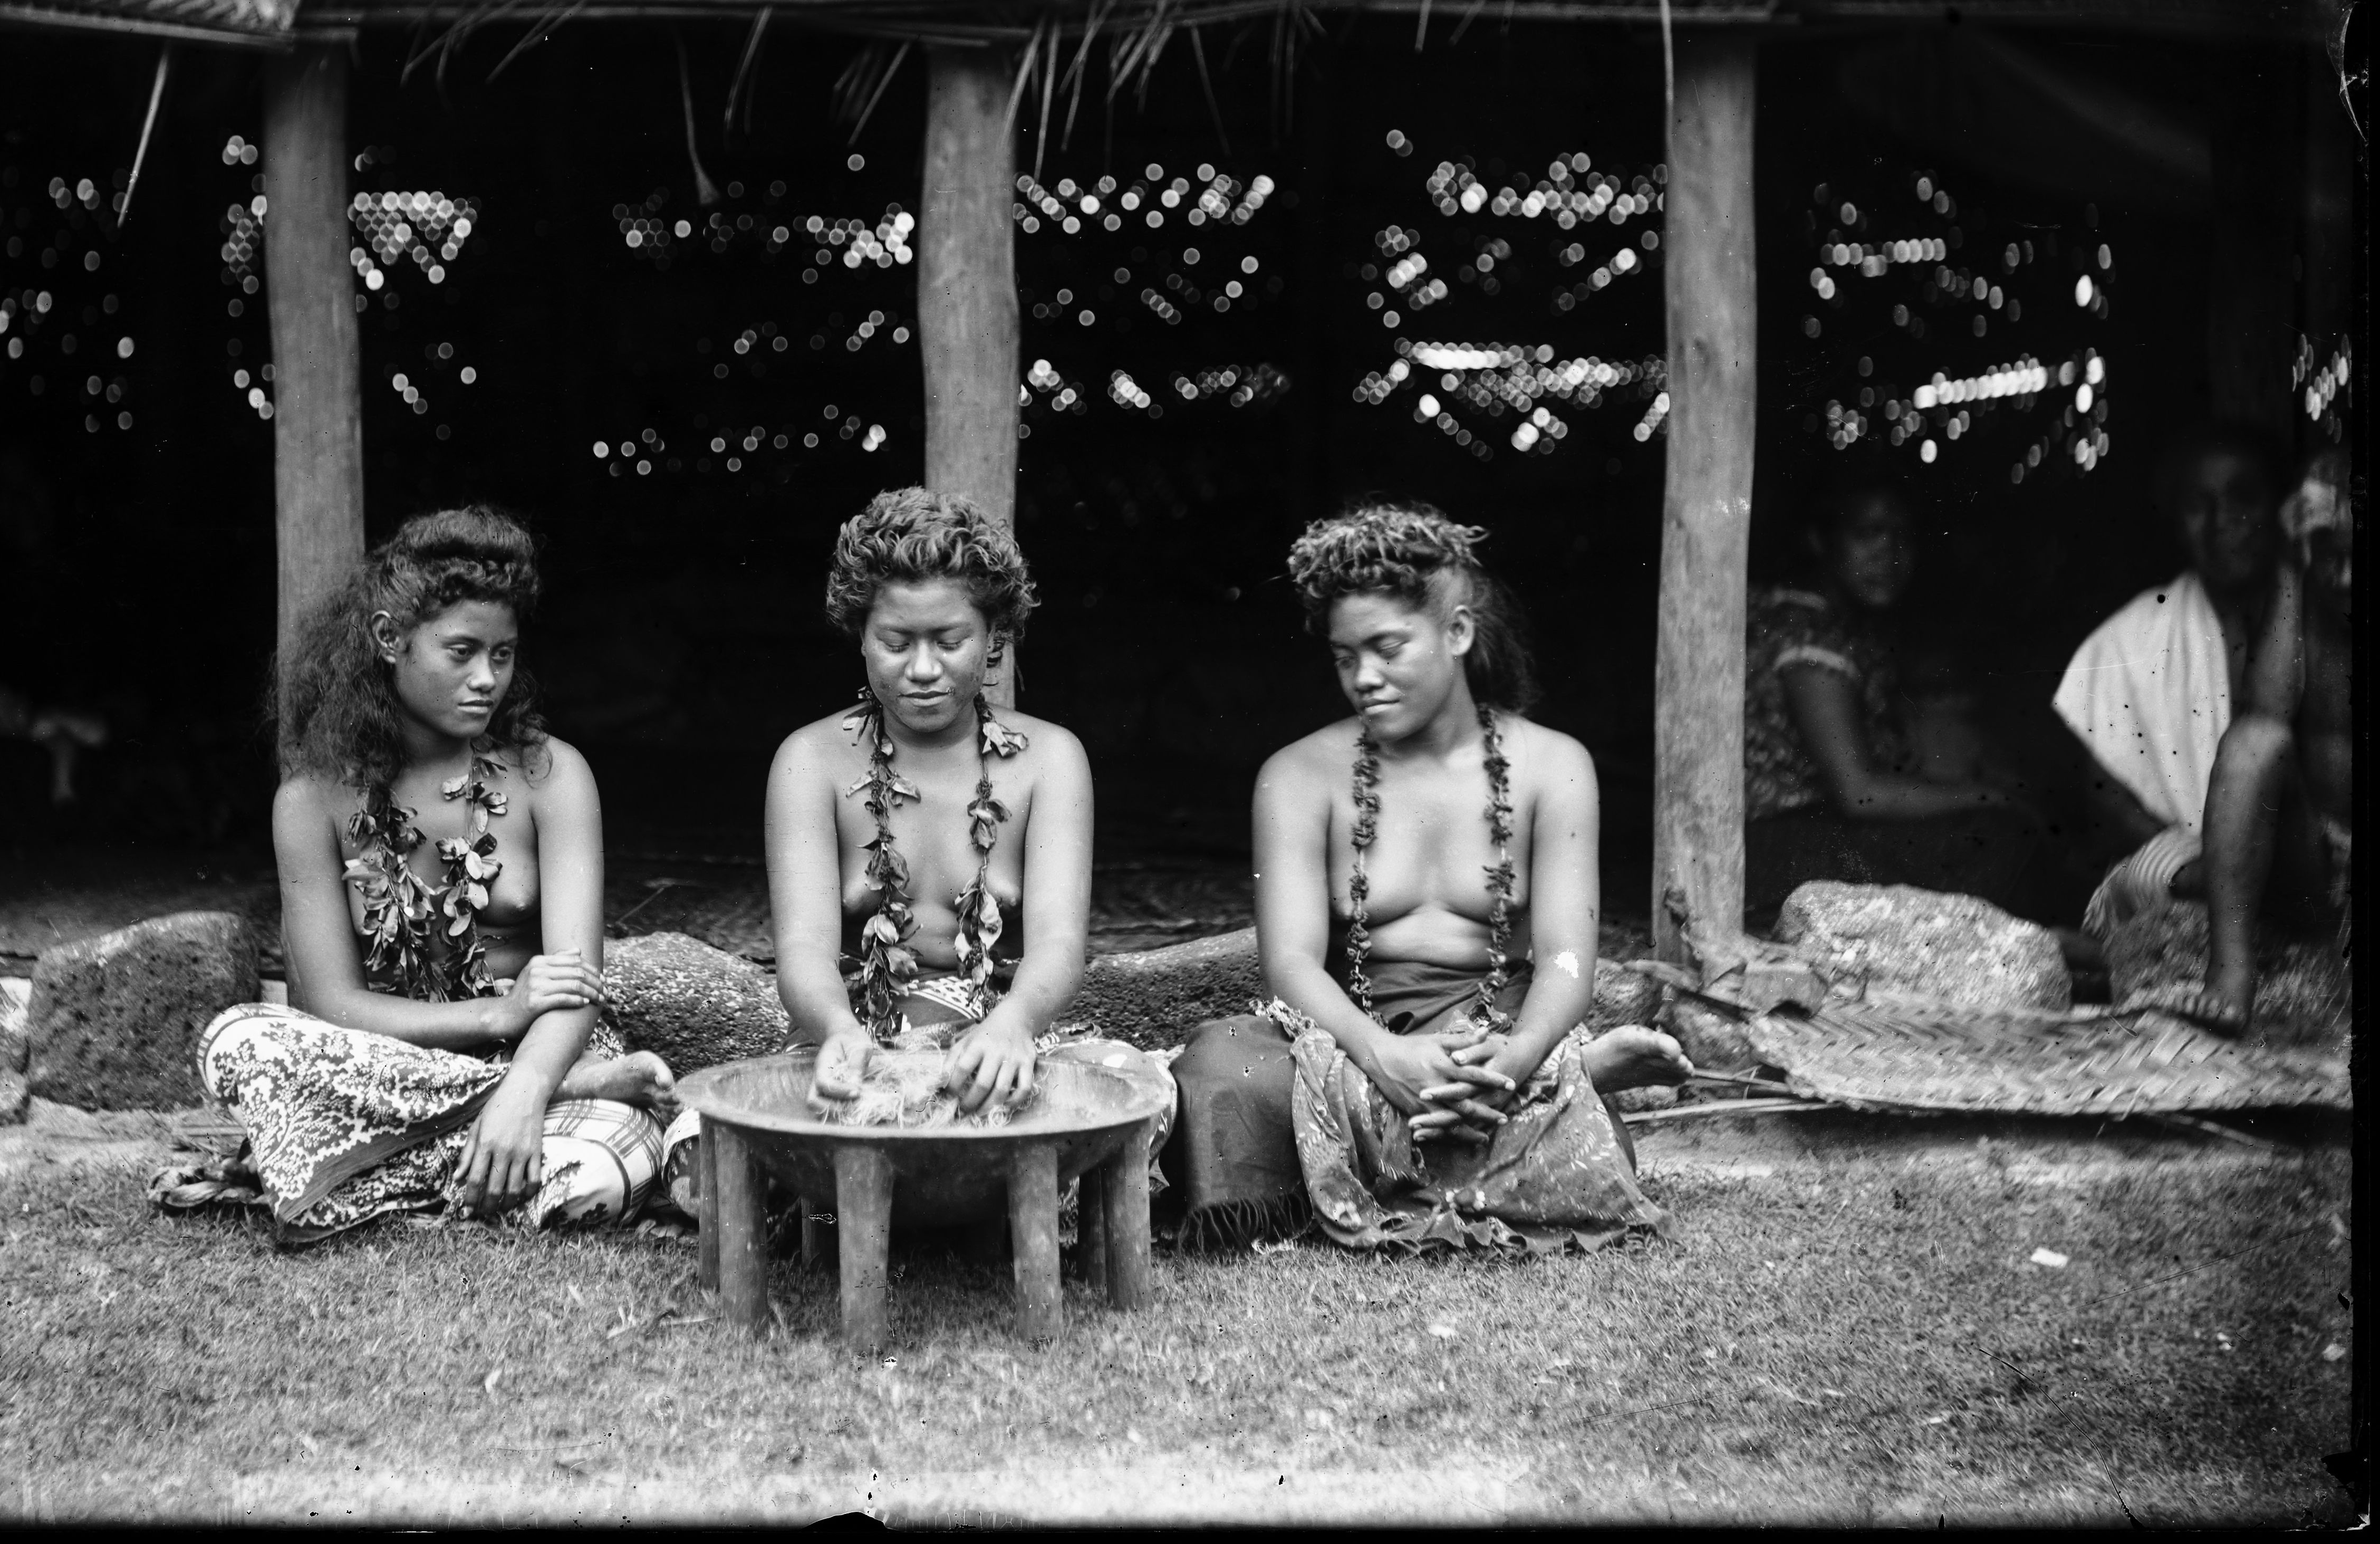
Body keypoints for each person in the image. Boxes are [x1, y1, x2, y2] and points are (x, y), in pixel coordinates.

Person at [1163, 503, 1681, 1253]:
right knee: (1223, 1073)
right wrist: (1383, 1055)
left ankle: (1536, 1081)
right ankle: (1559, 1095)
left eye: (1387, 647)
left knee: (1533, 1099)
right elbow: (1291, 963)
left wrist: (1513, 1058)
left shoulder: (1553, 765)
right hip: (1344, 1035)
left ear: (1458, 633)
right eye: (1345, 656)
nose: (1363, 678)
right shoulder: (1299, 774)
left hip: (1491, 1038)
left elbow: (1569, 957)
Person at [159, 508, 675, 1246]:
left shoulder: (551, 775)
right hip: (391, 1062)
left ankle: (363, 1171)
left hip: (543, 1054)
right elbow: (335, 1003)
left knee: (596, 1173)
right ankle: (483, 1149)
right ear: (388, 639)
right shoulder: (310, 802)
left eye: (503, 654)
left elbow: (574, 985)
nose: (486, 678)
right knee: (239, 1040)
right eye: (462, 651)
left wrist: (528, 1083)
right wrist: (494, 1016)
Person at [716, 487, 1168, 1172]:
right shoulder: (809, 760)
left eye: (950, 640)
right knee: (742, 1126)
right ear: (860, 634)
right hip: (855, 1034)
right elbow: (803, 948)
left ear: (995, 640)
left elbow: (1059, 944)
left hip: (998, 1029)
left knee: (1141, 1087)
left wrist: (1013, 1028)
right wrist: (839, 1032)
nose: (923, 669)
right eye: (896, 641)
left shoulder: (1050, 760)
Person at [1743, 460, 2091, 932]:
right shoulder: (1811, 637)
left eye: (1902, 535)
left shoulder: (1813, 617)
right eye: (1867, 533)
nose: (1889, 553)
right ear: (1820, 541)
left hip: (1782, 843)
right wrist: (1993, 795)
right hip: (1776, 853)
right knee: (1996, 840)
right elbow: (1859, 793)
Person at [2146, 451, 2353, 1036]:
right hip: (2316, 867)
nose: (2342, 579)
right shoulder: (2305, 600)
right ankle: (2229, 981)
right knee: (2252, 742)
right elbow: (2263, 715)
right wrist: (2289, 566)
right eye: (2330, 558)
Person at [2057, 424, 2284, 934]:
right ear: (2176, 523)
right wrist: (2196, 868)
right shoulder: (2125, 641)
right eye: (2198, 505)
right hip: (2182, 875)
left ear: (2279, 507)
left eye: (2244, 496)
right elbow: (2107, 797)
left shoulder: (2319, 624)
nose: (2223, 521)